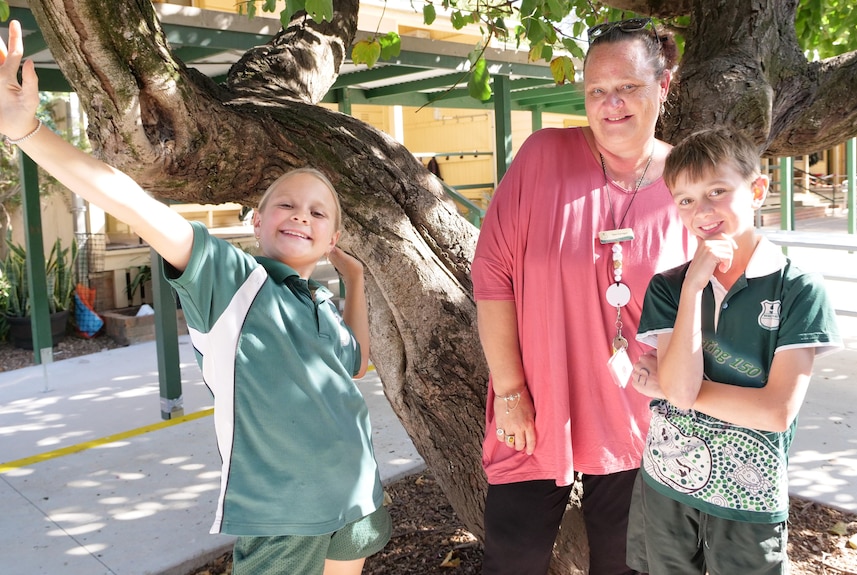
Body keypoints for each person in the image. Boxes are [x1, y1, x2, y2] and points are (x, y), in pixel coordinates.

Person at [0, 21, 390, 575]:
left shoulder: (319, 303)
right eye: (285, 203)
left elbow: (353, 364)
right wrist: (27, 131)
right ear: (257, 222)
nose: (301, 213)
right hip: (286, 516)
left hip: (356, 493)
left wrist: (353, 283)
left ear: (331, 239)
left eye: (318, 211)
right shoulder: (232, 281)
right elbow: (133, 203)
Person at [471, 17, 693, 575]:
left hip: (644, 417)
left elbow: (708, 296)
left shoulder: (687, 180)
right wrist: (511, 391)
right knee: (512, 558)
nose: (611, 103)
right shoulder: (543, 156)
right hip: (537, 408)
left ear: (662, 87)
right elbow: (492, 278)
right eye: (597, 90)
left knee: (625, 565)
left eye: (628, 88)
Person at [626, 127, 842, 574]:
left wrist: (671, 386)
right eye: (684, 200)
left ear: (757, 189)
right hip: (667, 483)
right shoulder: (670, 287)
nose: (700, 211)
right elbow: (682, 386)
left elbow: (775, 412)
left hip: (751, 495)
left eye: (717, 191)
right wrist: (694, 288)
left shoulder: (799, 289)